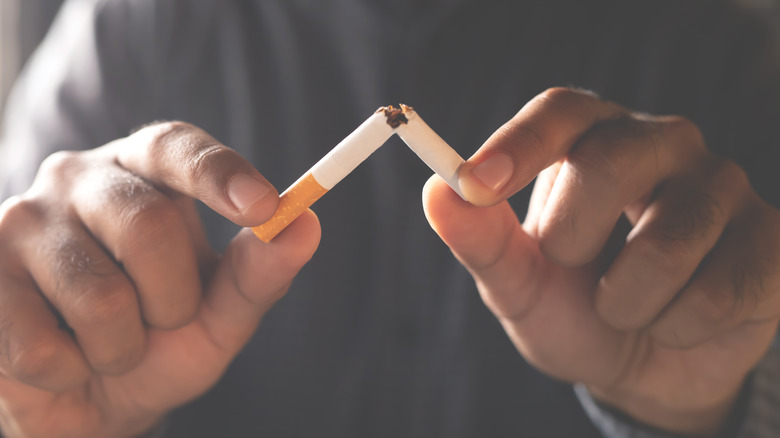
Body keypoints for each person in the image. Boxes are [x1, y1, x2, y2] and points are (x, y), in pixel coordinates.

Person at [0, 0, 779, 436]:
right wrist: (36, 397)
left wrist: (700, 417)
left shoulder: (718, 54)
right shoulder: (132, 29)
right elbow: (23, 327)